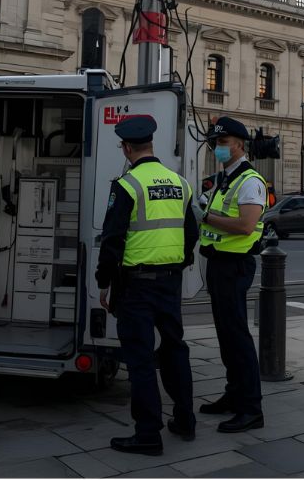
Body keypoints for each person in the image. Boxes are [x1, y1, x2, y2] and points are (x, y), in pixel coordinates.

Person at [96, 115, 197, 456]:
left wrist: (104, 283)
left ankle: (148, 433)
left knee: (139, 360)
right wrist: (177, 265)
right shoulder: (179, 182)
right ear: (150, 144)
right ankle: (185, 420)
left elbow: (112, 240)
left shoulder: (127, 185)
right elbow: (191, 232)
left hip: (135, 285)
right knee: (174, 349)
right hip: (169, 281)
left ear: (126, 148)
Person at [196, 116, 266, 433]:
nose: (217, 148)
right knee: (226, 337)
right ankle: (233, 394)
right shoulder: (225, 178)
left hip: (234, 265)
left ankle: (251, 409)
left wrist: (205, 215)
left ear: (239, 144)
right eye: (215, 144)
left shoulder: (250, 180)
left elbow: (245, 226)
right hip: (218, 263)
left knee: (237, 337)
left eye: (222, 143)